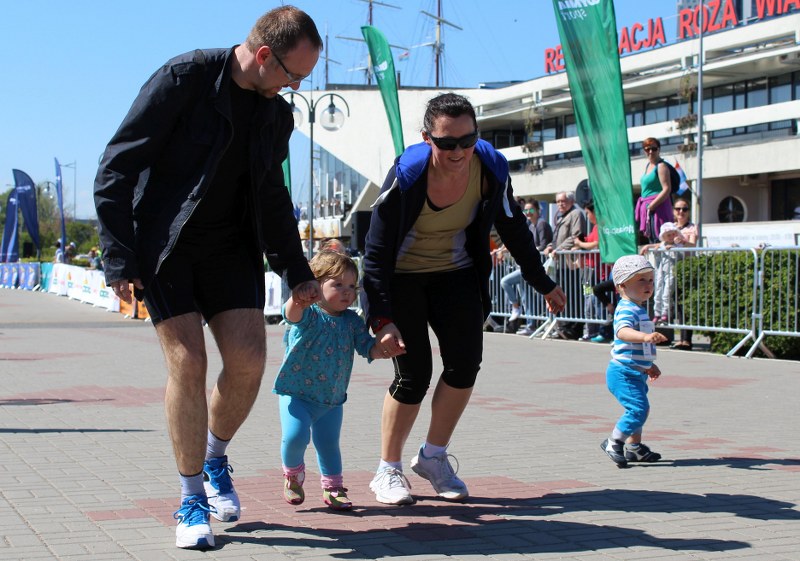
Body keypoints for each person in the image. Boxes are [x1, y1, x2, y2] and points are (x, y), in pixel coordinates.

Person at [93, 6, 323, 550]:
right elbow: (116, 166)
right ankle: (191, 497)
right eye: (293, 75)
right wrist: (119, 258)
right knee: (189, 362)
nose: (294, 88)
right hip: (165, 246)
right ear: (263, 55)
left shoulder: (276, 116)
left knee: (248, 361)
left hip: (231, 248)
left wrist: (295, 270)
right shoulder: (185, 79)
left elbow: (271, 196)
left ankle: (215, 457)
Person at [362, 92, 566, 505]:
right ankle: (388, 469)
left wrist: (542, 281)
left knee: (465, 365)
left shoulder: (490, 167)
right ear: (427, 139)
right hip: (402, 277)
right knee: (414, 375)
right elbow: (376, 251)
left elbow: (513, 227)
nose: (458, 151)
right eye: (447, 143)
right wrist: (380, 318)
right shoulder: (408, 175)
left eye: (467, 140)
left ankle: (433, 457)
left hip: (456, 274)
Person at [274, 251, 401, 511]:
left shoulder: (352, 321)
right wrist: (298, 298)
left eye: (352, 286)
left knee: (329, 444)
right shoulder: (310, 314)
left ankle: (333, 487)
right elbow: (290, 315)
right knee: (295, 437)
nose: (347, 292)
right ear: (316, 286)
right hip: (296, 394)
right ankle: (293, 475)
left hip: (331, 400)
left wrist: (383, 349)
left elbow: (367, 348)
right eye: (338, 284)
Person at [601, 255, 668, 468]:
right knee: (638, 409)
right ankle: (614, 441)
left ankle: (634, 448)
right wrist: (645, 337)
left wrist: (649, 365)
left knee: (639, 410)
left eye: (650, 280)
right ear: (622, 285)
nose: (648, 285)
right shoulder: (627, 308)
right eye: (641, 280)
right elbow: (622, 332)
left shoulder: (638, 308)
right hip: (623, 372)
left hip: (636, 371)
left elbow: (637, 349)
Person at [498, 200, 553, 335]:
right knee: (525, 296)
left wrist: (527, 251)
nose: (528, 213)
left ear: (538, 211)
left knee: (505, 281)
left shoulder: (541, 224)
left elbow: (543, 245)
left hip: (536, 265)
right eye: (526, 210)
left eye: (531, 210)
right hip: (528, 265)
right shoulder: (530, 225)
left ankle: (516, 308)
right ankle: (530, 324)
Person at [542, 191, 586, 339]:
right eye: (558, 201)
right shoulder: (562, 216)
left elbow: (576, 236)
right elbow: (557, 239)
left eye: (563, 201)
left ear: (571, 201)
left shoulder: (576, 214)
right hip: (560, 263)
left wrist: (558, 249)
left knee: (573, 295)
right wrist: (550, 246)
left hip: (570, 263)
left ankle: (573, 328)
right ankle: (564, 326)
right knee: (563, 293)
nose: (560, 204)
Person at [572, 201, 607, 341]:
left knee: (594, 301)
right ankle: (591, 331)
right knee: (588, 301)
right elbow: (589, 242)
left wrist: (580, 244)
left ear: (594, 213)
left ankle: (601, 331)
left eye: (587, 213)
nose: (587, 216)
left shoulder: (601, 227)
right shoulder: (595, 228)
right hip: (589, 272)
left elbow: (595, 244)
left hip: (596, 272)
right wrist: (580, 244)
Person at [640, 222, 685, 325]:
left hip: (671, 271)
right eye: (668, 235)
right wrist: (657, 250)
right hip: (661, 271)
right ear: (664, 237)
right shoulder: (661, 245)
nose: (671, 237)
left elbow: (681, 256)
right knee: (658, 292)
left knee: (667, 293)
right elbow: (657, 256)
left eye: (673, 234)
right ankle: (657, 314)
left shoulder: (678, 245)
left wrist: (674, 248)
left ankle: (665, 313)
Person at [669, 199, 698, 350]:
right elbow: (664, 243)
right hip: (673, 268)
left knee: (685, 304)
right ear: (674, 211)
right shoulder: (671, 227)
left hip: (686, 268)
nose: (681, 212)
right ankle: (680, 338)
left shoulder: (692, 227)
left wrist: (683, 241)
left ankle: (687, 339)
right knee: (676, 302)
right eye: (678, 209)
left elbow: (693, 245)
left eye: (684, 209)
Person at [635, 138, 674, 244]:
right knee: (652, 239)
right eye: (647, 149)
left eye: (654, 149)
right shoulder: (648, 166)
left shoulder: (661, 166)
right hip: (649, 208)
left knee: (660, 239)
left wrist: (652, 205)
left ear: (659, 149)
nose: (651, 151)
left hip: (658, 208)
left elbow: (667, 189)